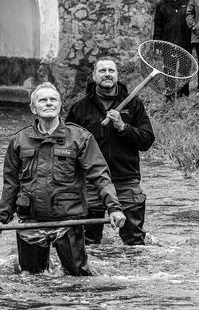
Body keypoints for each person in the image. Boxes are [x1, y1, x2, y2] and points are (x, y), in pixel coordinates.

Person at [0, 83, 126, 276]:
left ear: (60, 106)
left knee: (78, 278)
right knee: (31, 279)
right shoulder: (19, 140)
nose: (49, 103)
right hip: (30, 222)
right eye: (43, 100)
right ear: (34, 108)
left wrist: (114, 208)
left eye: (53, 100)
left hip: (68, 221)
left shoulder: (80, 138)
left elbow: (100, 176)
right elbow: (11, 184)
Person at [66, 59, 155, 246]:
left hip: (126, 180)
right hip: (91, 183)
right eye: (102, 70)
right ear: (94, 76)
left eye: (111, 70)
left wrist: (122, 127)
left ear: (117, 76)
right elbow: (68, 148)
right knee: (88, 242)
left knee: (134, 242)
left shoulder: (134, 104)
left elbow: (147, 140)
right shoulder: (79, 108)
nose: (107, 74)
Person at [153, 0, 192, 97]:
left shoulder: (189, 0)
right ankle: (169, 94)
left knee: (184, 70)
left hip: (185, 41)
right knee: (169, 69)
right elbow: (158, 25)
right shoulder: (162, 4)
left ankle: (183, 94)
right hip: (168, 42)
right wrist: (157, 44)